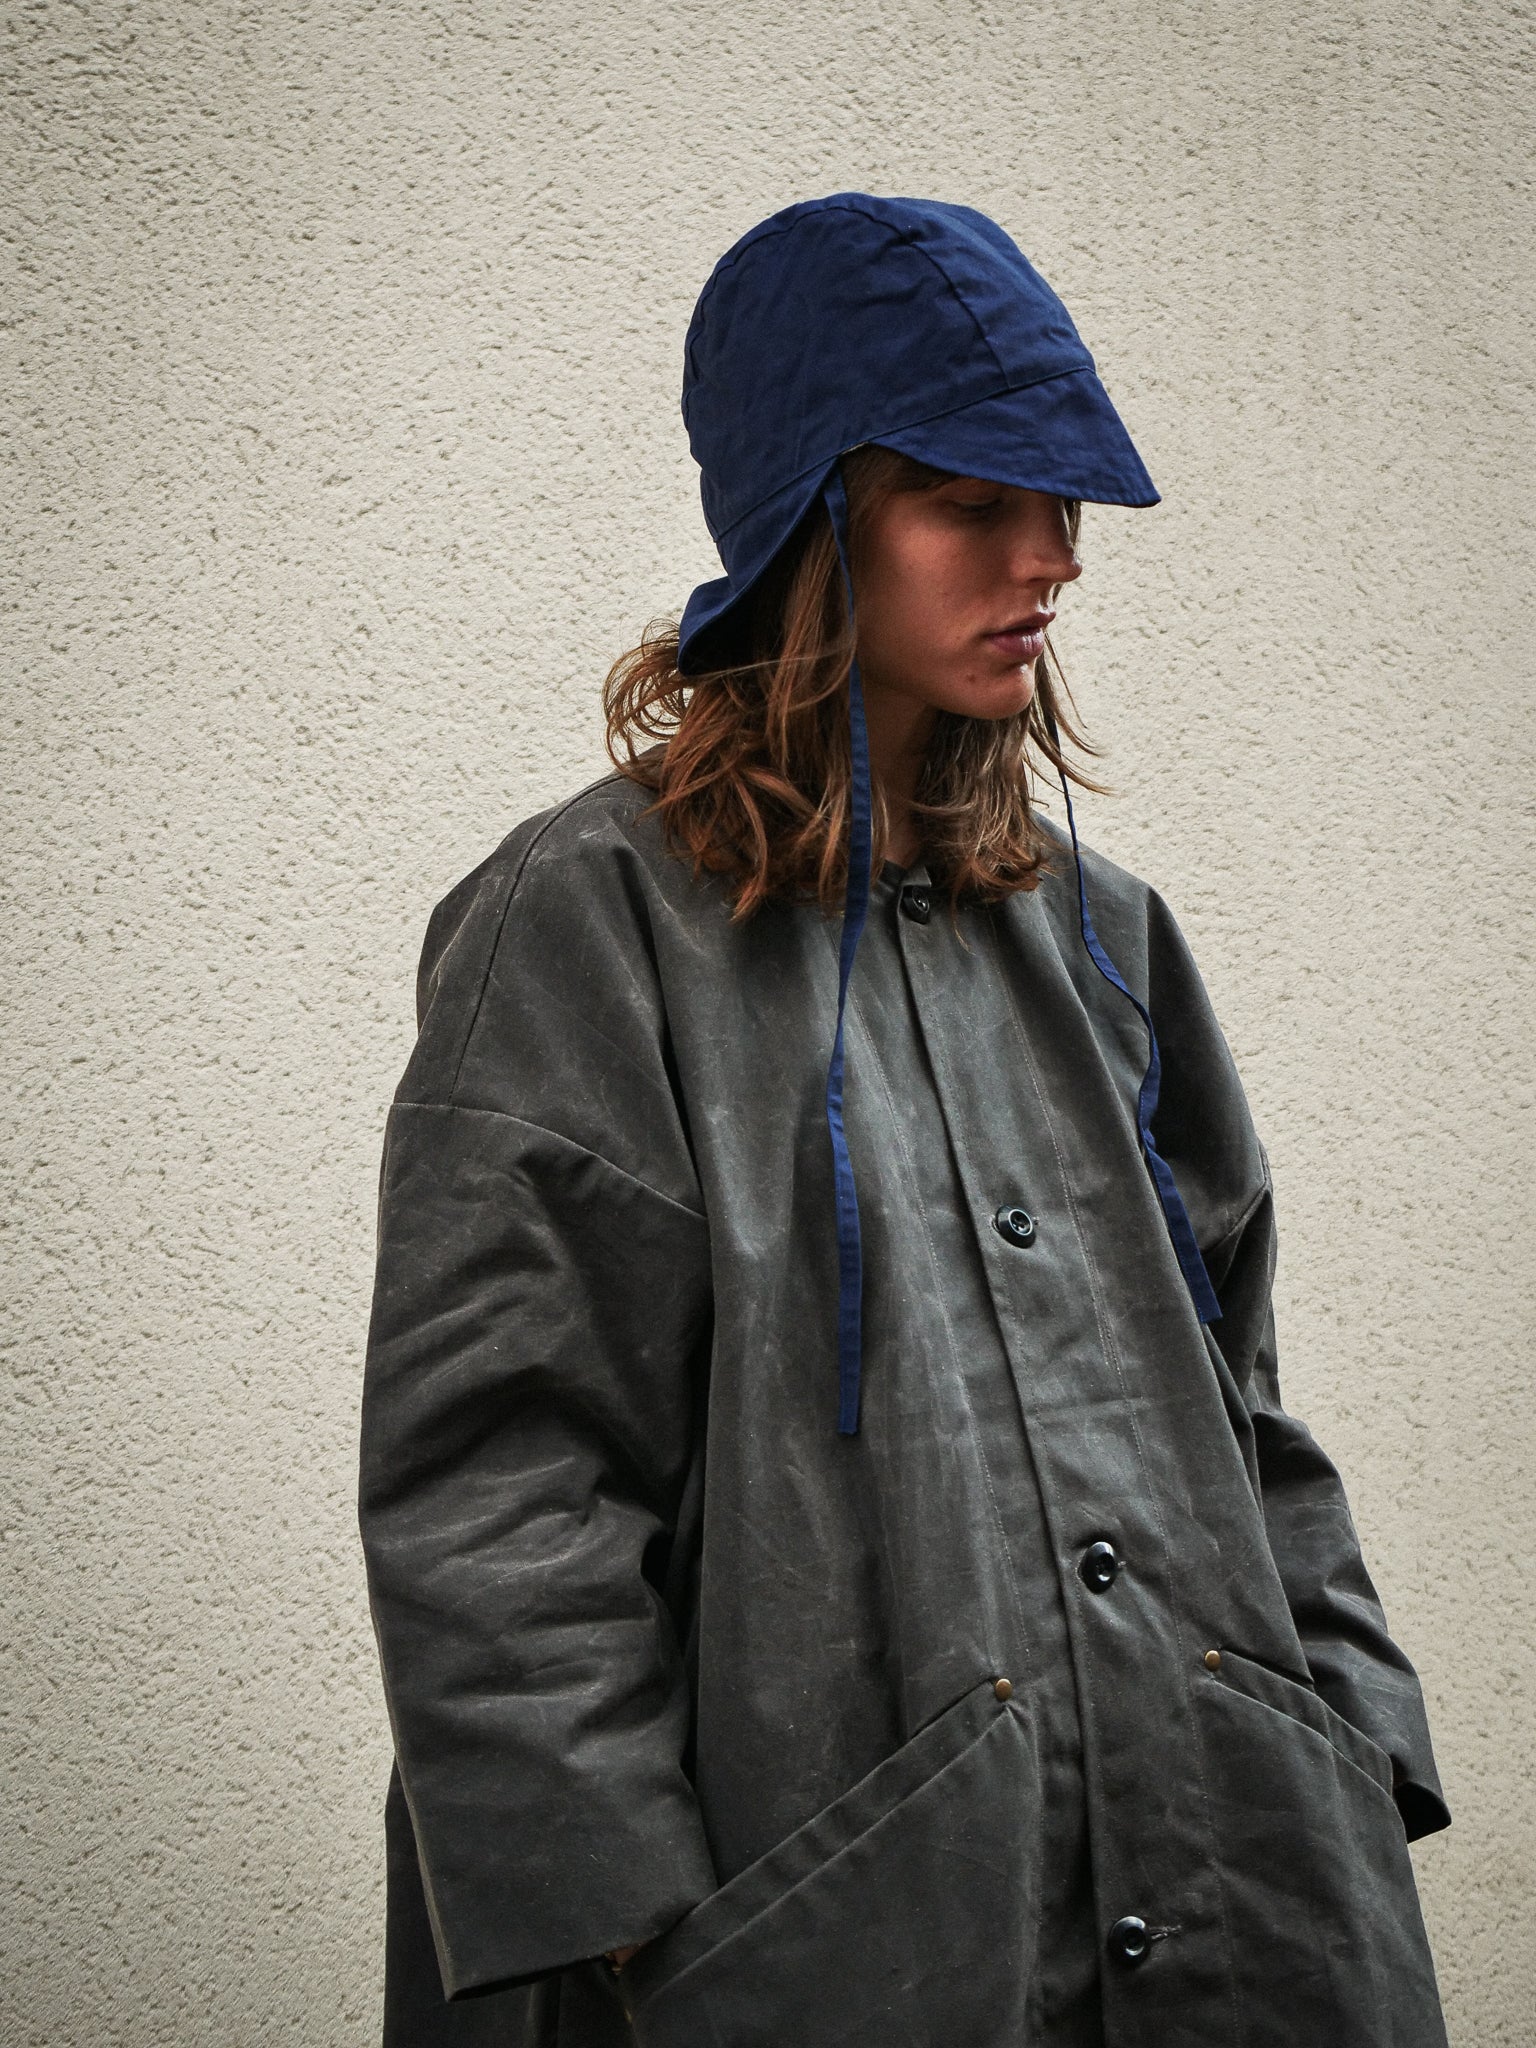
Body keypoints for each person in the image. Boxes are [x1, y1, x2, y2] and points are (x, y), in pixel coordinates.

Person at [358, 194, 1451, 2048]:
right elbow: (503, 1493)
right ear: (812, 527)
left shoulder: (1107, 938)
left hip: (1238, 1890)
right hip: (821, 1939)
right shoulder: (584, 926)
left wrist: (1349, 1742)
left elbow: (1244, 1402)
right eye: (972, 503)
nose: (1053, 561)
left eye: (1064, 505)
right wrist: (635, 1938)